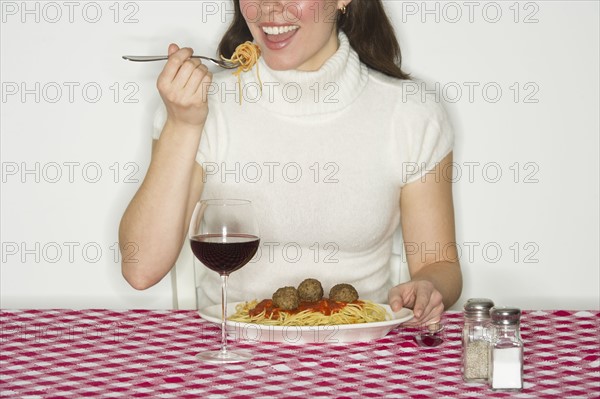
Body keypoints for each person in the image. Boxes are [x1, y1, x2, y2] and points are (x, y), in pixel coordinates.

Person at [119, 0, 462, 326]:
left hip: (360, 353)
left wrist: (429, 288)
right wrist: (182, 125)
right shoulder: (201, 105)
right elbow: (141, 268)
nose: (270, 9)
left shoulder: (411, 113)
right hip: (234, 351)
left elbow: (437, 263)